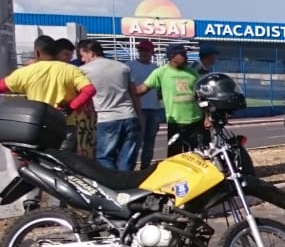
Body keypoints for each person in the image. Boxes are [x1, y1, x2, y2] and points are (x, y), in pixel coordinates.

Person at [0, 36, 96, 151]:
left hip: (37, 126)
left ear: (37, 52)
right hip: (65, 126)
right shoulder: (71, 70)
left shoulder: (26, 72)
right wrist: (70, 107)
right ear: (56, 52)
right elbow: (89, 90)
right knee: (65, 166)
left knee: (39, 164)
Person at [134, 43, 209, 156]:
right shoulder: (160, 72)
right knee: (175, 156)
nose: (186, 57)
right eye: (182, 54)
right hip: (176, 123)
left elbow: (202, 96)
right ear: (172, 56)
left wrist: (207, 117)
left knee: (198, 156)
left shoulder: (193, 73)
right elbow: (140, 90)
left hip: (196, 121)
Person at [78, 39, 141, 170]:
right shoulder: (123, 67)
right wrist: (139, 116)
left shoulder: (84, 71)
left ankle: (112, 185)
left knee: (105, 157)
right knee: (127, 157)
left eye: (82, 55)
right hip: (129, 115)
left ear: (90, 53)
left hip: (106, 118)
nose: (82, 60)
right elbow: (134, 93)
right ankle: (125, 184)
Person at [127, 39, 164, 169]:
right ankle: (130, 170)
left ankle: (145, 169)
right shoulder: (129, 66)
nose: (143, 52)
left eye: (146, 50)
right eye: (141, 50)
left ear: (151, 52)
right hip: (137, 109)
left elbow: (161, 90)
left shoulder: (156, 69)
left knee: (150, 142)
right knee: (135, 142)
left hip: (154, 109)